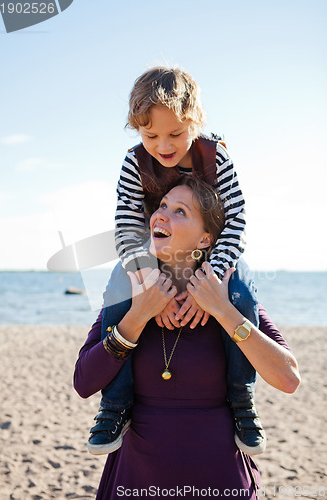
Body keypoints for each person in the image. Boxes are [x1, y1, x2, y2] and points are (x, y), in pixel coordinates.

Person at [74, 176, 300, 499]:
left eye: (180, 211)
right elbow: (83, 382)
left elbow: (289, 378)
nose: (161, 215)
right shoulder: (129, 292)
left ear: (206, 239)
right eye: (162, 206)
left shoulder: (233, 297)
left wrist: (222, 311)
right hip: (137, 482)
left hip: (221, 482)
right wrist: (138, 315)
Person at [88, 66, 263, 456]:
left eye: (175, 134)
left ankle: (241, 398)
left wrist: (208, 281)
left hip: (211, 254)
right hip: (155, 254)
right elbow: (127, 226)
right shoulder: (135, 164)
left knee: (242, 295)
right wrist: (150, 283)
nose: (163, 145)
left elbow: (237, 222)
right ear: (137, 130)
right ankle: (114, 404)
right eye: (150, 135)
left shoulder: (216, 157)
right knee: (117, 290)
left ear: (196, 122)